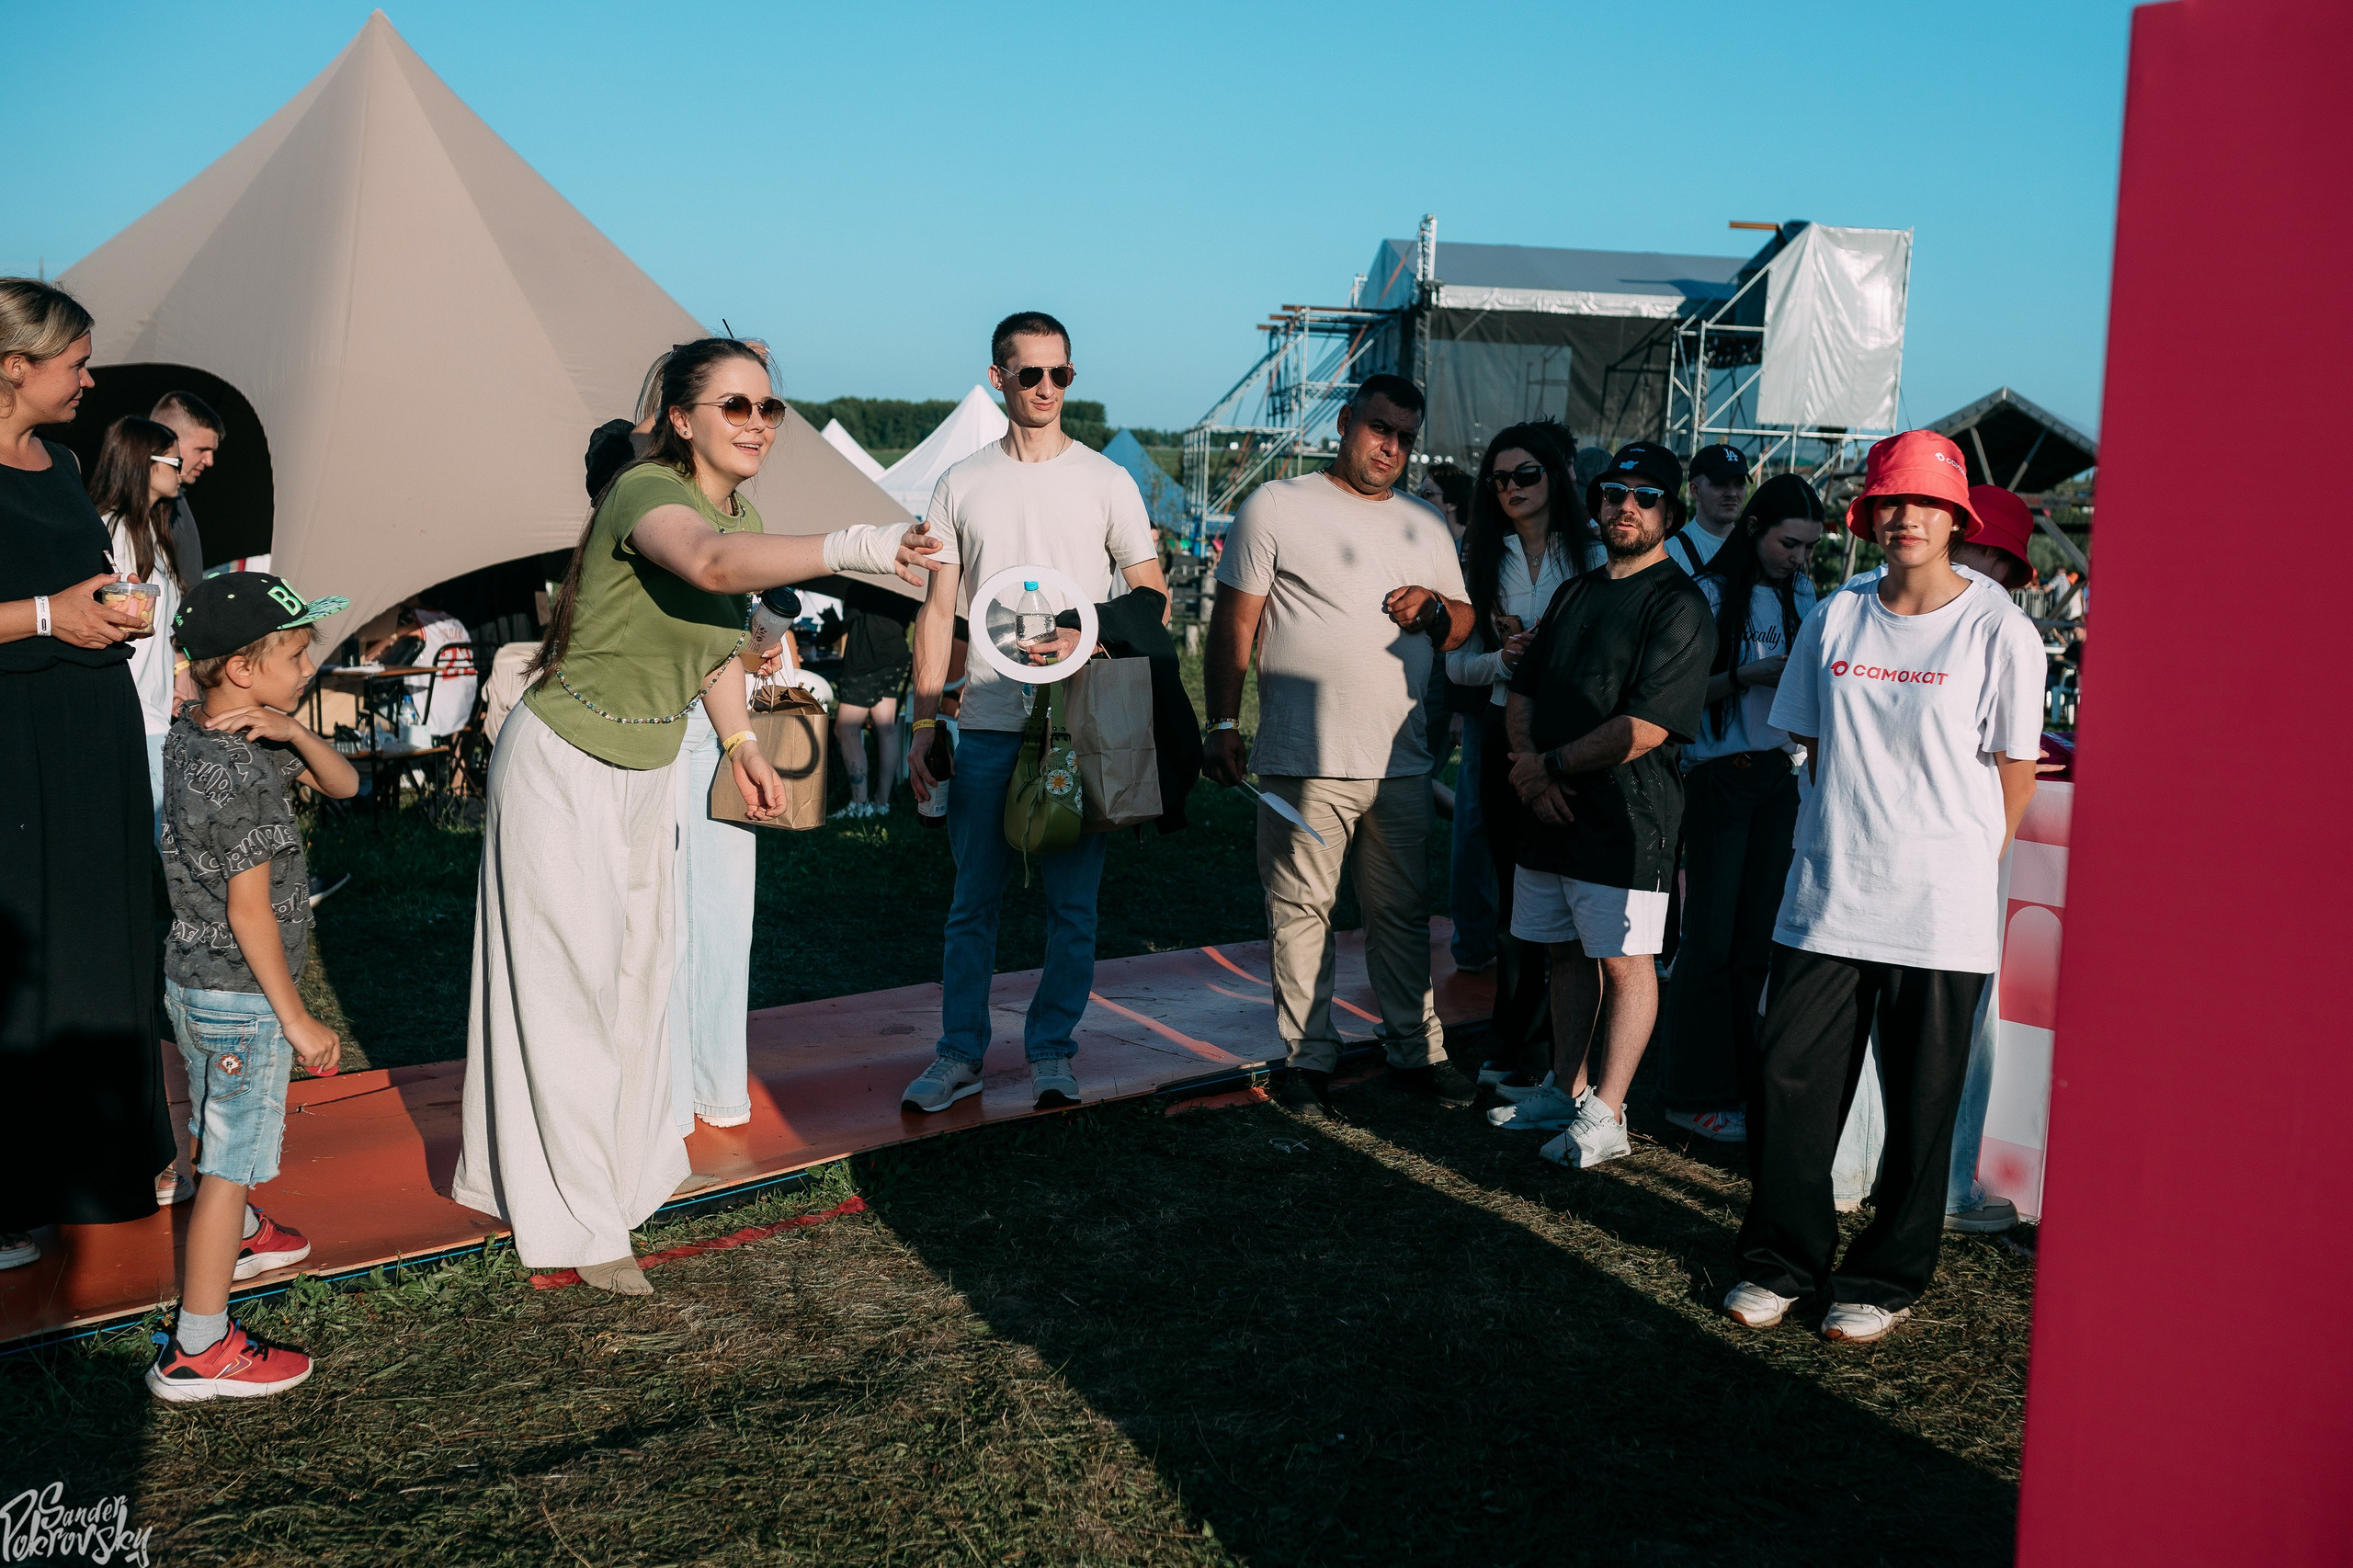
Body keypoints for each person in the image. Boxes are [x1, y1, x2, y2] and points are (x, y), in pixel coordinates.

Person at [455, 337, 935, 1294]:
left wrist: (739, 746)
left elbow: (718, 645)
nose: (759, 422)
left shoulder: (739, 508)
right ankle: (579, 1222)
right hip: (562, 764)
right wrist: (858, 545)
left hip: (642, 770)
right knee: (568, 993)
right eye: (736, 405)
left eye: (770, 408)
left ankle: (616, 1181)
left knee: (637, 982)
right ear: (681, 418)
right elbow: (712, 567)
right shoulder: (643, 493)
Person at [1723, 432, 2042, 1345]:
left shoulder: (1999, 628)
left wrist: (1960, 853)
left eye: (1926, 504)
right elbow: (1809, 738)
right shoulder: (1835, 614)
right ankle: (1780, 1261)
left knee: (1920, 1102)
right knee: (1790, 1085)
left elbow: (2013, 767)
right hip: (1828, 895)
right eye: (1889, 503)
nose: (1906, 518)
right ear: (1865, 516)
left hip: (1938, 912)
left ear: (1957, 518)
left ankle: (1884, 1277)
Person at [904, 312, 1165, 1114]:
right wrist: (922, 724)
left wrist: (1076, 630)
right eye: (1031, 375)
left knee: (1072, 906)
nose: (1047, 389)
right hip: (982, 720)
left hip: (1075, 725)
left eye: (1062, 375)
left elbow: (1150, 592)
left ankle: (1054, 1049)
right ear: (999, 379)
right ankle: (960, 1056)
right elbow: (938, 609)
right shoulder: (962, 482)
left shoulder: (1105, 480)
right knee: (972, 902)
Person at [1202, 373, 1479, 1120]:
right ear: (1346, 423)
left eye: (1406, 437)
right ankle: (1306, 1059)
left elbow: (1463, 626)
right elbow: (1235, 625)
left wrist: (1433, 608)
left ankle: (1416, 1051)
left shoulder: (1426, 525)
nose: (1391, 446)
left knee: (1402, 915)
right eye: (1379, 428)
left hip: (1403, 760)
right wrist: (1223, 724)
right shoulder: (1277, 506)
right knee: (1301, 910)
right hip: (1302, 758)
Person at [146, 572, 359, 1400]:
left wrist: (292, 730)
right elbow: (251, 913)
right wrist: (300, 1020)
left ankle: (235, 1228)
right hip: (242, 993)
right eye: (296, 653)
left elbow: (342, 784)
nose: (308, 665)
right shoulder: (241, 775)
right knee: (227, 1163)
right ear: (241, 666)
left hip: (194, 983)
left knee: (213, 1126)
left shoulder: (197, 734)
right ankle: (200, 1347)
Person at [0, 278, 175, 1274]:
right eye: (75, 361)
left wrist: (110, 606)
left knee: (104, 941)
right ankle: (11, 1190)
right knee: (19, 957)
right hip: (11, 738)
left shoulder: (64, 463)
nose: (90, 377)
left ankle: (106, 1159)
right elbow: (34, 601)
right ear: (15, 366)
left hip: (90, 728)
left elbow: (70, 585)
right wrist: (43, 615)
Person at [1496, 440, 1713, 1166]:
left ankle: (1610, 1115)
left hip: (1629, 818)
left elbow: (1647, 725)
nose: (1627, 507)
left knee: (1626, 961)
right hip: (1548, 806)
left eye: (1646, 496)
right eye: (1615, 493)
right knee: (1562, 952)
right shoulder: (1575, 591)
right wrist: (1530, 772)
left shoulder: (1679, 604)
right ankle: (1566, 1087)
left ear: (1669, 513)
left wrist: (1547, 767)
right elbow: (1524, 687)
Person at [1656, 475, 1825, 1145]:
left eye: (1811, 547)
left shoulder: (1803, 592)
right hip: (1719, 777)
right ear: (1755, 529)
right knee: (1710, 941)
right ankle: (1689, 1091)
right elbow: (1671, 694)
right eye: (1791, 543)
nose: (1801, 559)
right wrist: (1748, 677)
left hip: (1779, 779)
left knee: (1757, 943)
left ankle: (1736, 1085)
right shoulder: (1708, 591)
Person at [1445, 425, 1586, 1103]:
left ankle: (1560, 1051)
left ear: (1554, 475)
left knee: (1566, 900)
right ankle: (1516, 1042)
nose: (1511, 490)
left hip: (1575, 739)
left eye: (1525, 475)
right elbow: (1453, 665)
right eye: (1498, 480)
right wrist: (1500, 660)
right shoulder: (1477, 555)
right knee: (1515, 898)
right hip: (1505, 733)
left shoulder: (1587, 552)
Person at [87, 415, 195, 822]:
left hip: (154, 707)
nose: (182, 473)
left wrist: (179, 672)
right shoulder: (108, 530)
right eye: (175, 462)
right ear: (145, 465)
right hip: (128, 709)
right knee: (170, 838)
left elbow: (164, 627)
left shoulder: (153, 530)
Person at [1417, 460, 1495, 974]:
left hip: (1457, 687)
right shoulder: (1432, 545)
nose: (1418, 500)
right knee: (1420, 782)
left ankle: (1476, 941)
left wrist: (1461, 712)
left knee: (1430, 787)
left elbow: (1468, 634)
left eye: (1429, 495)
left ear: (1454, 505)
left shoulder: (1471, 551)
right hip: (1441, 683)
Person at [834, 600, 915, 817]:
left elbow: (851, 611)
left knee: (846, 730)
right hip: (895, 651)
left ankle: (859, 804)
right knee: (886, 728)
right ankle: (881, 803)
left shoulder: (871, 571)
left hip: (865, 653)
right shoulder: (907, 578)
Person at [151, 390, 223, 582]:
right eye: (202, 450)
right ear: (168, 441)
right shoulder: (127, 513)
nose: (209, 461)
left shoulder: (178, 500)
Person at [1667, 443, 1750, 574]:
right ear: (1695, 490)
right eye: (1720, 483)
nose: (1732, 493)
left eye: (1739, 484)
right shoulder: (1670, 553)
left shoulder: (1755, 550)